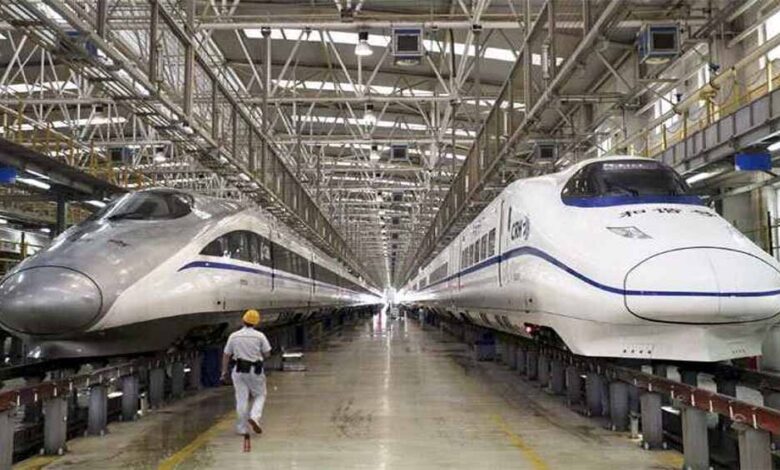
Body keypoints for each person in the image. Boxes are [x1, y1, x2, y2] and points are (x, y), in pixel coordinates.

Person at [221, 309, 272, 436]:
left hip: (238, 370)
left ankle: (241, 428)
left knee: (241, 398)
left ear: (243, 320)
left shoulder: (234, 336)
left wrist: (224, 372)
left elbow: (226, 354)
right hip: (255, 370)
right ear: (256, 322)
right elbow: (267, 353)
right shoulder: (260, 336)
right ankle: (254, 417)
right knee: (260, 395)